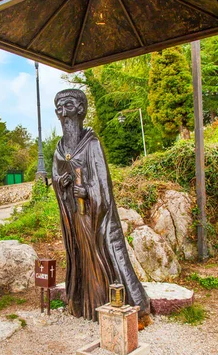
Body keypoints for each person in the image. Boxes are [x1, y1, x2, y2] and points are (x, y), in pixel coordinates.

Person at [52, 88, 150, 321]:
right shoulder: (59, 149)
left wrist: (87, 191)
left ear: (80, 109)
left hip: (95, 219)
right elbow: (56, 177)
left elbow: (103, 186)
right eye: (58, 107)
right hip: (75, 217)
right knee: (82, 259)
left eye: (67, 106)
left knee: (101, 257)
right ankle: (84, 305)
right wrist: (61, 182)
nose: (62, 112)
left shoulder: (92, 144)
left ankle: (106, 304)